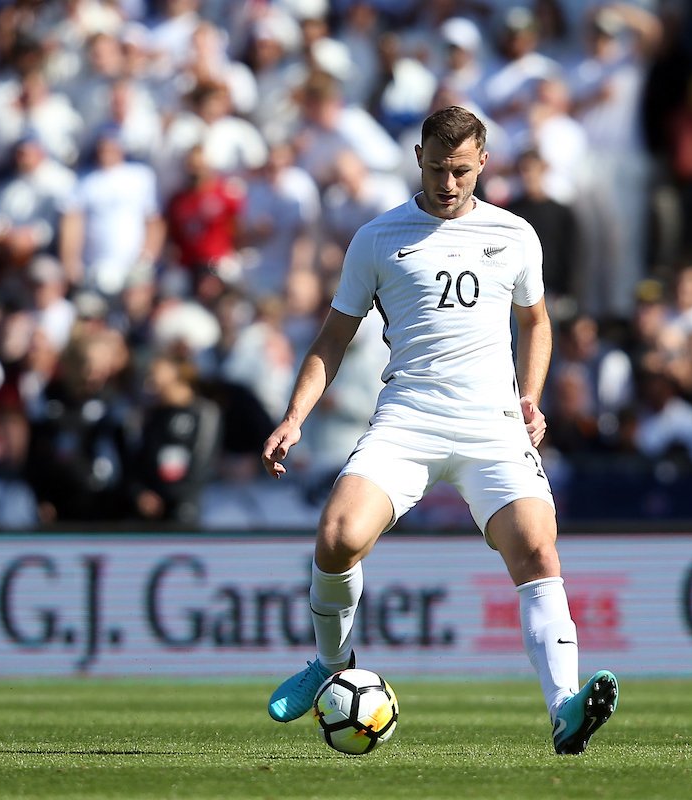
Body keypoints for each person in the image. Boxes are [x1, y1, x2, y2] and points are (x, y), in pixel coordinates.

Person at [261, 106, 618, 755]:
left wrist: (531, 396)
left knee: (537, 548)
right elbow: (333, 338)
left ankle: (565, 708)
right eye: (436, 168)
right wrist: (293, 418)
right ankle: (331, 666)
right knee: (338, 537)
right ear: (418, 157)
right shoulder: (377, 237)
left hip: (492, 426)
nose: (448, 183)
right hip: (410, 417)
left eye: (460, 170)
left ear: (483, 162)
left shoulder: (514, 234)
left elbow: (536, 322)